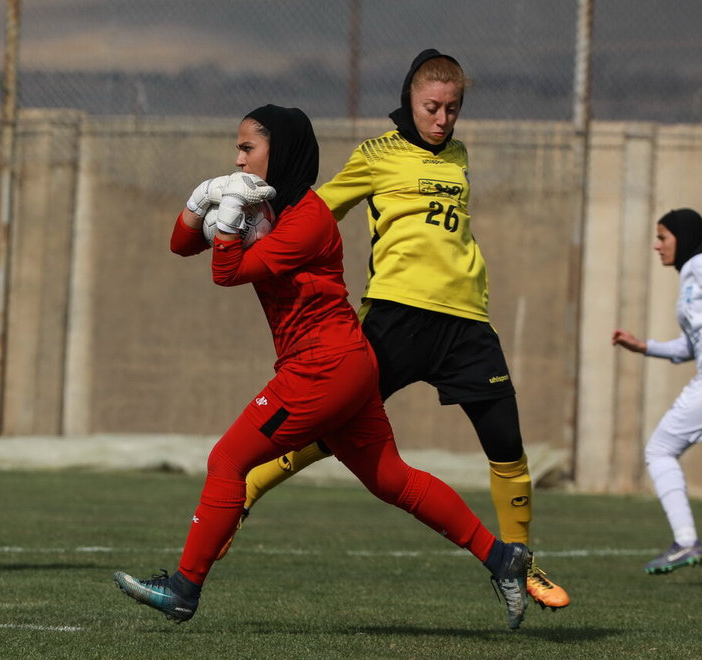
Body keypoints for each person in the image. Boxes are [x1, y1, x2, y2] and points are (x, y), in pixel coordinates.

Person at [113, 104, 534, 630]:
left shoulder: (308, 217)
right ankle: (503, 559)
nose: (237, 158)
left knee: (226, 462)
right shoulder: (267, 204)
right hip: (345, 364)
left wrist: (225, 225)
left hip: (322, 367)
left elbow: (228, 273)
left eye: (247, 148)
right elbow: (180, 245)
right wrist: (200, 201)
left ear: (280, 152)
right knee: (393, 481)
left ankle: (182, 590)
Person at [219, 50, 570, 610]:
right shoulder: (377, 154)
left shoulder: (458, 154)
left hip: (467, 322)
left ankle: (520, 563)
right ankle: (249, 488)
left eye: (452, 109)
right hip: (396, 314)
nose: (442, 119)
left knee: (507, 444)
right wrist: (261, 229)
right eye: (431, 107)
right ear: (409, 99)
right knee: (334, 421)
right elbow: (319, 207)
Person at [612, 208, 702, 574]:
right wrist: (643, 346)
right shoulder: (690, 281)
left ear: (684, 237)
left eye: (663, 237)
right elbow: (688, 348)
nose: (656, 245)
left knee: (660, 450)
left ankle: (685, 541)